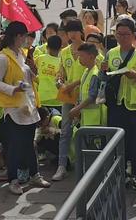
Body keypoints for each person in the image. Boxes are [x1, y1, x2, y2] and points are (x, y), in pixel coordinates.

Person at [0, 21, 51, 195]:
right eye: (24, 36)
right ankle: (13, 179)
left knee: (29, 143)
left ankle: (34, 174)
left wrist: (32, 73)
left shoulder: (21, 54)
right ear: (17, 36)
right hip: (14, 108)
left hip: (28, 105)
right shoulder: (2, 57)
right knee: (16, 146)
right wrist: (12, 89)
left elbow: (28, 77)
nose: (27, 39)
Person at [102, 18, 136, 191]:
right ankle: (121, 173)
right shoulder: (111, 53)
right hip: (116, 105)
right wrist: (103, 71)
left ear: (133, 35)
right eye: (119, 34)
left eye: (126, 34)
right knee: (118, 141)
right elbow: (104, 78)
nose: (122, 37)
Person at [52, 19, 85, 182]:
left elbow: (95, 71)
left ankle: (85, 164)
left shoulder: (89, 49)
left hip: (86, 98)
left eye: (74, 31)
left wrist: (75, 84)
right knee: (65, 131)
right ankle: (62, 165)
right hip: (68, 97)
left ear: (81, 31)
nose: (71, 34)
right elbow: (61, 72)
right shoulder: (64, 52)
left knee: (85, 129)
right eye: (68, 32)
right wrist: (59, 81)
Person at [69, 42, 105, 126]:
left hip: (93, 118)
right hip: (86, 117)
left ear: (91, 57)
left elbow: (92, 96)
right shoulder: (86, 71)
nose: (79, 59)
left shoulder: (95, 74)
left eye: (81, 56)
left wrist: (77, 109)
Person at [35, 35, 62, 108]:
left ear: (47, 47)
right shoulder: (61, 63)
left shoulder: (40, 59)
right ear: (60, 48)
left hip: (42, 97)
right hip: (57, 99)